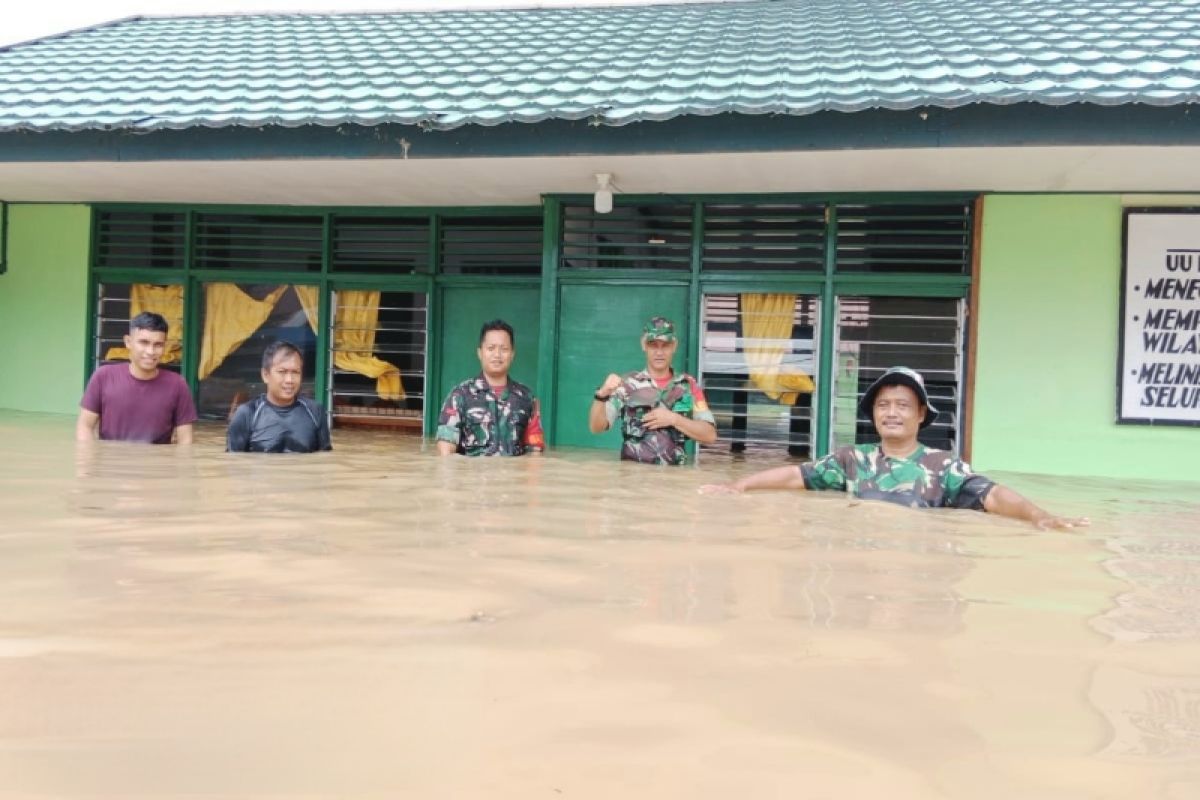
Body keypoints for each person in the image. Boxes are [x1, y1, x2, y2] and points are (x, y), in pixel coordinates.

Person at [701, 366, 1088, 530]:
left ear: (921, 413)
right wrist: (741, 486)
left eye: (903, 405)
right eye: (883, 405)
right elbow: (795, 475)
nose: (892, 413)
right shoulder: (852, 459)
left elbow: (996, 496)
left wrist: (1039, 515)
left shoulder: (943, 468)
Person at [589, 316, 717, 465]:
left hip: (672, 481)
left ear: (674, 346)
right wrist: (601, 396)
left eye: (665, 345)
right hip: (632, 480)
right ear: (644, 345)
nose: (659, 352)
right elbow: (596, 427)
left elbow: (710, 435)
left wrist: (674, 419)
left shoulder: (688, 385)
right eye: (653, 345)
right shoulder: (628, 384)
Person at [76, 311, 198, 444]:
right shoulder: (103, 377)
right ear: (128, 342)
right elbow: (85, 426)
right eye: (144, 342)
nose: (150, 351)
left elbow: (185, 441)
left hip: (157, 464)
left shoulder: (177, 384)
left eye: (158, 345)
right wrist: (88, 461)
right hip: (110, 463)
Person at [436, 319, 544, 457]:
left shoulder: (526, 397)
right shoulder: (460, 395)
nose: (497, 355)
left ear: (512, 354)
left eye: (504, 349)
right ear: (480, 353)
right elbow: (446, 448)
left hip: (513, 477)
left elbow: (534, 453)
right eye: (491, 348)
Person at [226, 340, 331, 453]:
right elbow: (234, 462)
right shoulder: (247, 414)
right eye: (282, 372)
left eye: (295, 372)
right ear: (265, 375)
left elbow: (324, 460)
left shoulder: (315, 412)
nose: (289, 380)